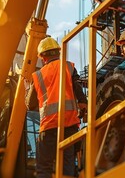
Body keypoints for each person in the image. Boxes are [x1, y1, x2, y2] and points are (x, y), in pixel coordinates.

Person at [25, 36, 87, 178]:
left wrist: (27, 89)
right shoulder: (69, 66)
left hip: (49, 126)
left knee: (44, 167)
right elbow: (79, 93)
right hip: (69, 124)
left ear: (42, 57)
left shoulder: (38, 75)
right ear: (58, 52)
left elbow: (30, 104)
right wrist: (83, 108)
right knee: (67, 165)